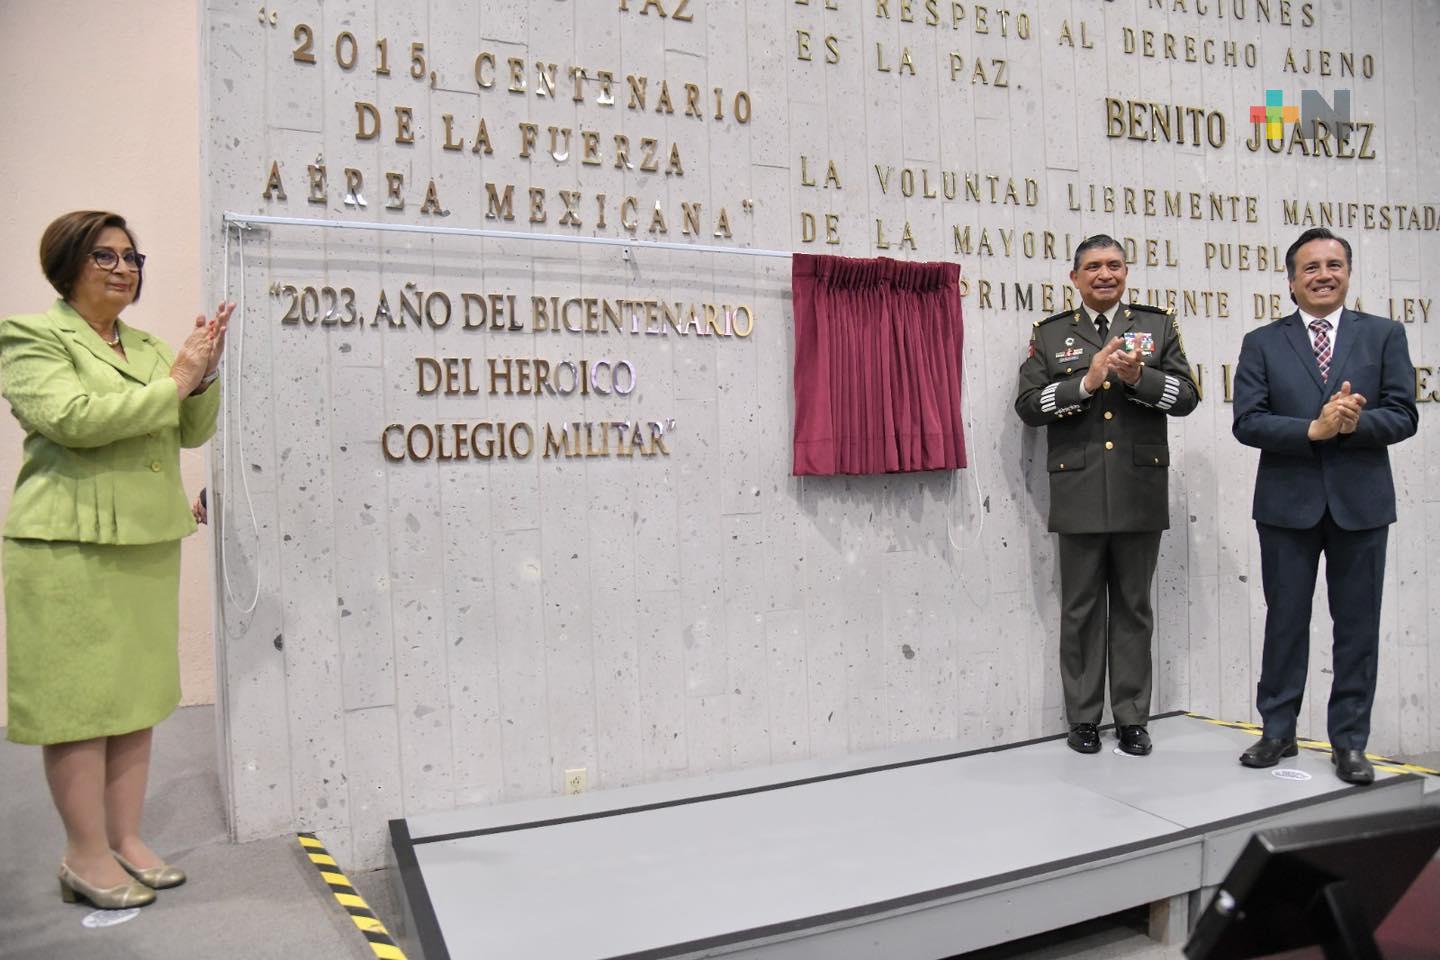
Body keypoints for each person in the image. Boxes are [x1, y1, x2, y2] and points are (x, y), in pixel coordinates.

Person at [2, 211, 231, 908]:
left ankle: (126, 838)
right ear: (66, 263)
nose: (123, 267)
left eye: (132, 256)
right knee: (81, 703)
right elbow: (72, 420)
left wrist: (205, 375)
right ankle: (83, 852)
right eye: (105, 255)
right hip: (69, 543)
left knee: (134, 698)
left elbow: (188, 429)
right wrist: (176, 381)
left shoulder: (150, 345)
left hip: (146, 538)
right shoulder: (30, 337)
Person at [1231, 226, 1418, 785]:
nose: (1324, 275)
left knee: (1357, 627)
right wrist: (1312, 429)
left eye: (1334, 265)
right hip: (1287, 505)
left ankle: (1350, 743)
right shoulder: (1262, 342)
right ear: (1292, 281)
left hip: (1361, 505)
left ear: (1349, 274)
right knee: (1285, 621)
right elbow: (1248, 421)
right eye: (1311, 267)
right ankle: (1277, 731)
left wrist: (1356, 423)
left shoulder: (1384, 335)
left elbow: (1404, 415)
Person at [1015, 234, 1200, 756]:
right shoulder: (1050, 336)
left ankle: (1132, 717)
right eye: (1093, 266)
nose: (1105, 274)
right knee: (1080, 610)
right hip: (1077, 491)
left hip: (1139, 489)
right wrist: (1085, 384)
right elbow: (1028, 406)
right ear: (1074, 277)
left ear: (1126, 272)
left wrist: (1140, 377)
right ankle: (1082, 719)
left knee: (1135, 608)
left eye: (1114, 265)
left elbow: (1187, 397)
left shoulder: (1156, 326)